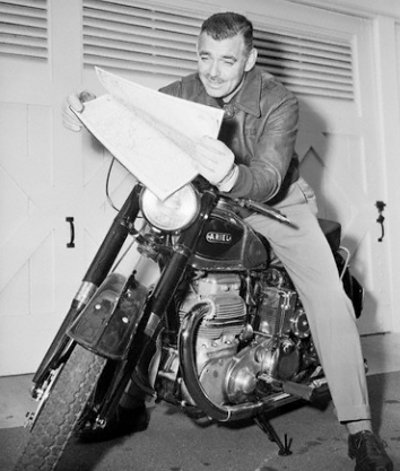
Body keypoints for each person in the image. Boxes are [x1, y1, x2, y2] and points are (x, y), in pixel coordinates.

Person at [63, 12, 393, 471]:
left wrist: (233, 174)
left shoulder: (279, 102)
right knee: (145, 279)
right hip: (207, 201)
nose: (213, 71)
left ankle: (360, 432)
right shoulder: (187, 91)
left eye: (227, 60)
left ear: (250, 59)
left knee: (327, 298)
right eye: (205, 57)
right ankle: (130, 402)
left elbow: (270, 175)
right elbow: (133, 111)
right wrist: (89, 111)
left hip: (276, 203)